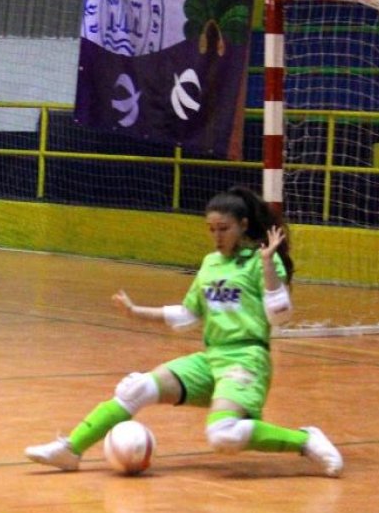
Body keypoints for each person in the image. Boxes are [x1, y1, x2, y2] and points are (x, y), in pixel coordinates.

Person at [25, 185, 344, 477]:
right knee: (137, 388)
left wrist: (266, 267)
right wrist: (137, 312)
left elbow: (280, 317)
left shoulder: (261, 261)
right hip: (212, 359)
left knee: (222, 435)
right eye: (211, 229)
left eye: (224, 229)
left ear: (243, 226)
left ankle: (305, 440)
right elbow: (188, 314)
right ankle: (70, 450)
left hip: (247, 360)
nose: (217, 236)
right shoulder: (210, 263)